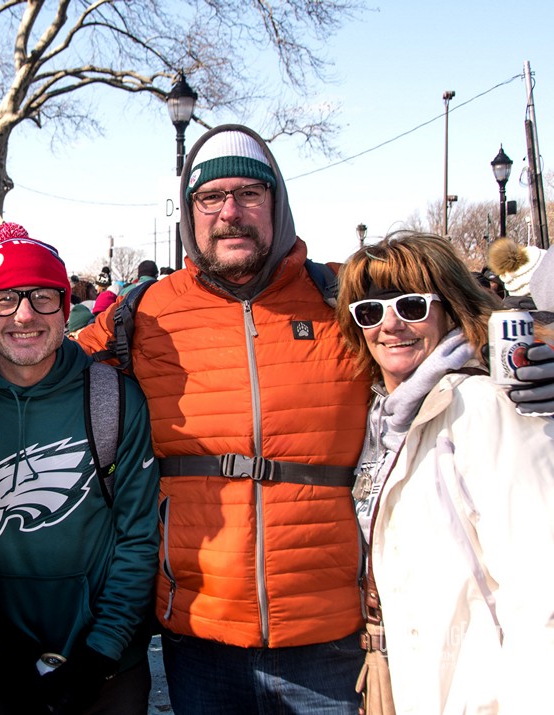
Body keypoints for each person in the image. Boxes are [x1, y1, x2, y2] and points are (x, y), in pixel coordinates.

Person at [76, 124, 372, 713]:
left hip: (330, 634)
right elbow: (36, 366)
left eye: (249, 194)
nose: (229, 212)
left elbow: (449, 338)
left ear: (277, 203)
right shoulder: (144, 314)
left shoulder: (346, 299)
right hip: (199, 631)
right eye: (210, 198)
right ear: (190, 214)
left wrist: (527, 360)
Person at [337, 232, 554, 713]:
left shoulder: (487, 405)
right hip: (418, 682)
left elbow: (543, 596)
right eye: (369, 312)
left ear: (450, 307)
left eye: (412, 306)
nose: (390, 325)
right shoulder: (386, 415)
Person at [0, 222, 160, 715]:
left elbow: (137, 537)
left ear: (66, 307)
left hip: (107, 670)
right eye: (4, 299)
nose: (24, 315)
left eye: (43, 297)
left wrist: (101, 652)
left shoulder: (112, 399)